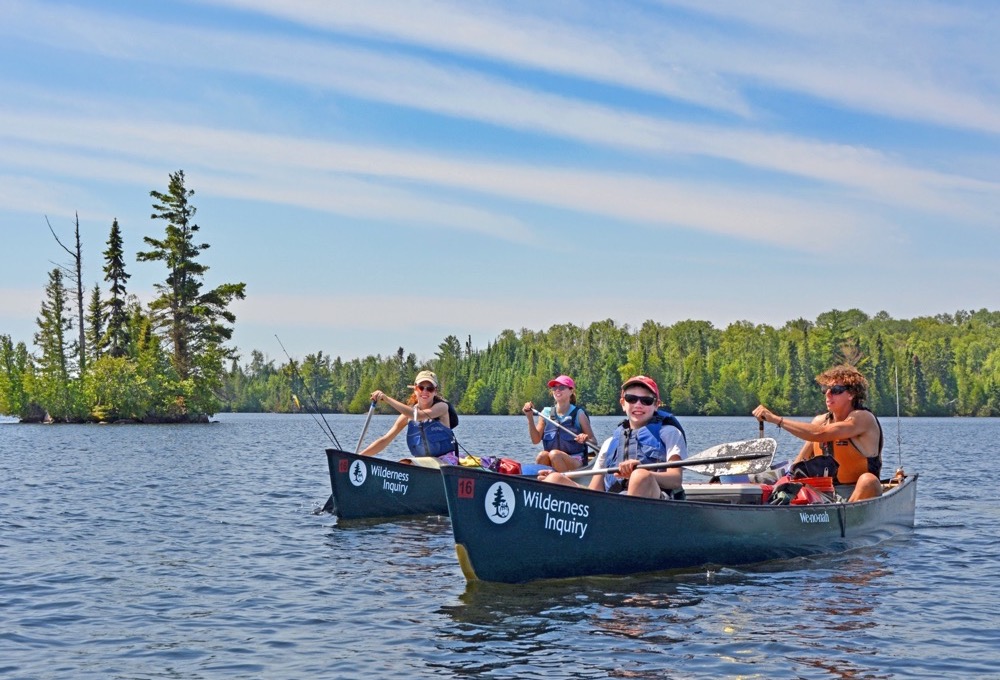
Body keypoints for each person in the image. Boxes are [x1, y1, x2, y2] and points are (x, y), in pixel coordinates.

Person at [541, 376, 687, 499]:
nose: (638, 405)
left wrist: (641, 472)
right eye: (631, 399)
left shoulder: (669, 433)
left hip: (654, 502)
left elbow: (675, 480)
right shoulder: (609, 443)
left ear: (656, 405)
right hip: (615, 501)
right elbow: (595, 491)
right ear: (623, 404)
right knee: (554, 479)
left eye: (646, 401)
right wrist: (554, 479)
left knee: (639, 476)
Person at [752, 364, 883, 502]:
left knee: (868, 480)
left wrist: (777, 420)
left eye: (835, 390)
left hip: (858, 493)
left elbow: (820, 433)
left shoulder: (863, 419)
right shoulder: (820, 421)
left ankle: (842, 517)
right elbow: (799, 463)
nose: (828, 394)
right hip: (824, 493)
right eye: (825, 389)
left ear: (851, 394)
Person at [360, 370, 459, 462]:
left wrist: (387, 399)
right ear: (415, 389)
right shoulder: (406, 416)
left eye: (430, 388)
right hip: (422, 462)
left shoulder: (442, 407)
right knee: (404, 463)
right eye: (421, 388)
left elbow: (418, 416)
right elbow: (385, 440)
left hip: (445, 460)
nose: (425, 391)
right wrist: (358, 456)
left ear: (435, 391)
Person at [522, 375, 598, 472]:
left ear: (571, 391)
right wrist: (529, 417)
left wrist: (585, 438)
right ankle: (546, 483)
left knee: (555, 454)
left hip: (576, 461)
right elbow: (535, 440)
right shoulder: (545, 413)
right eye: (554, 388)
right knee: (542, 455)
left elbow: (593, 441)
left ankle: (563, 484)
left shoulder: (579, 414)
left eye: (561, 387)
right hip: (553, 458)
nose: (557, 390)